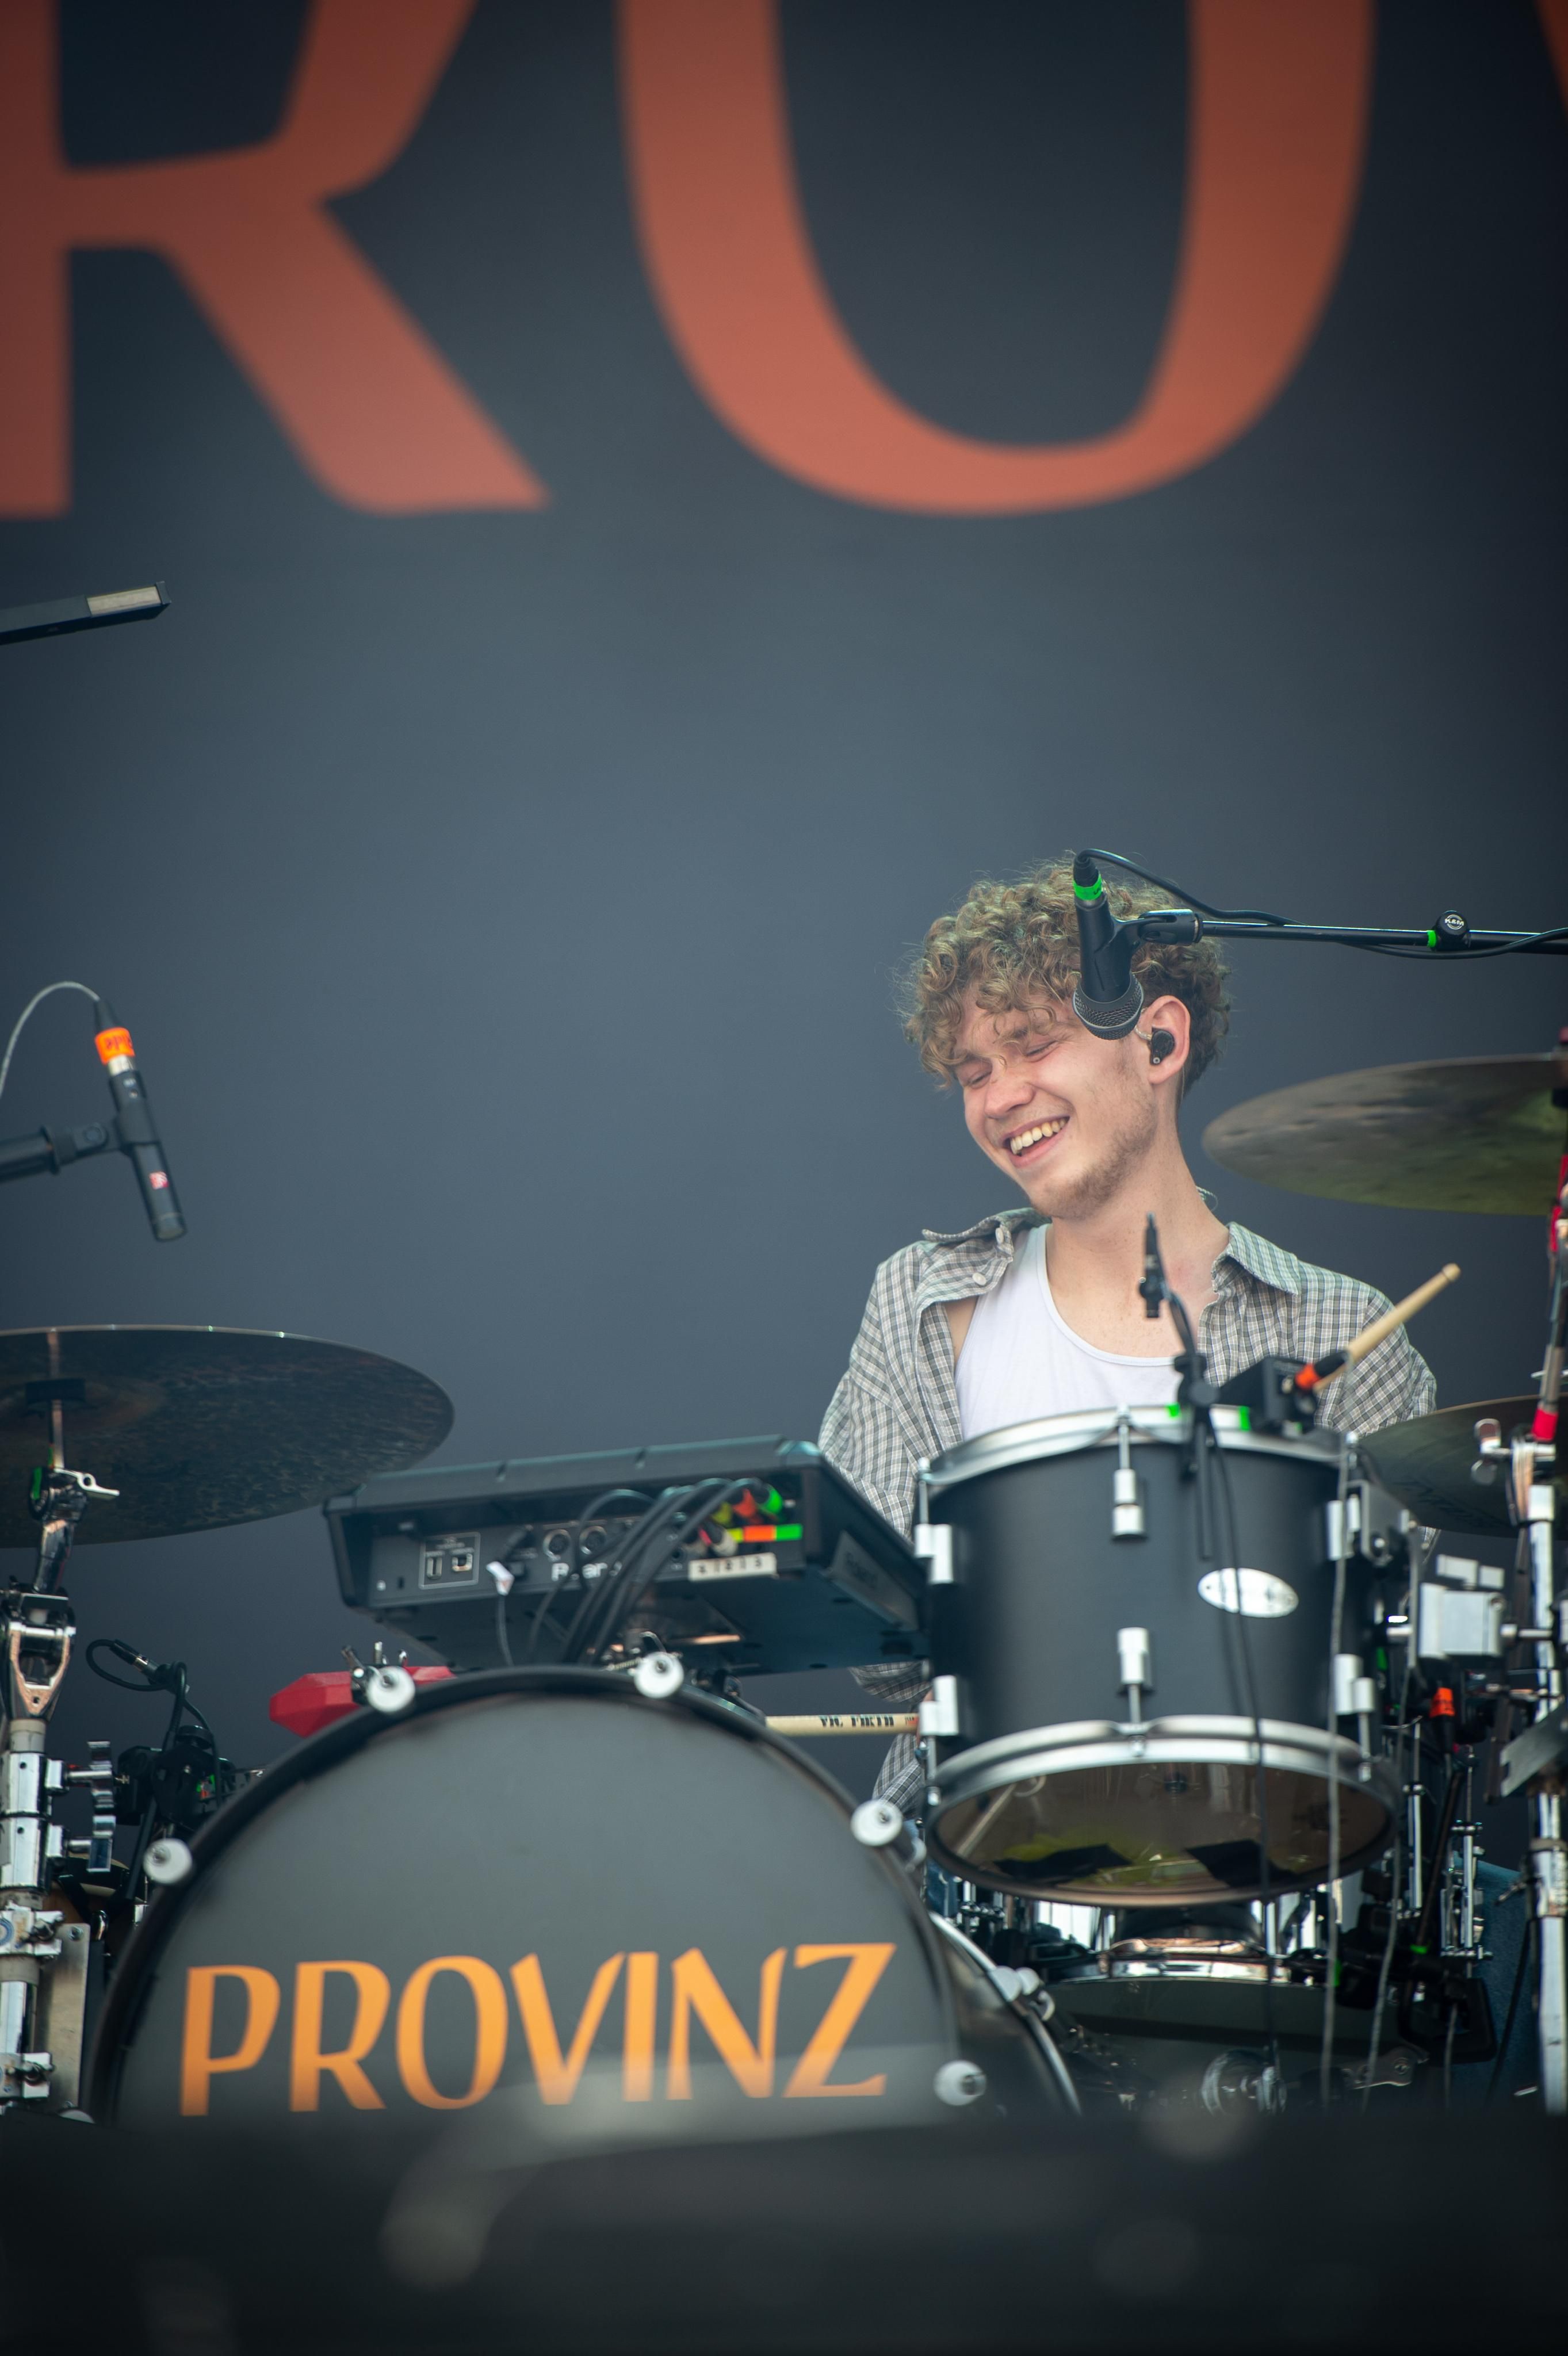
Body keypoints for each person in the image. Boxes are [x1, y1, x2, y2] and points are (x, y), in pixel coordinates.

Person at [820, 855, 1435, 1815]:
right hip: (979, 1862)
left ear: (1157, 1040)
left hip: (1264, 1855)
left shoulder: (1345, 1328)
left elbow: (1396, 1671)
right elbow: (886, 1663)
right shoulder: (924, 1303)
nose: (999, 1098)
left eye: (1032, 1046)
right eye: (974, 1073)